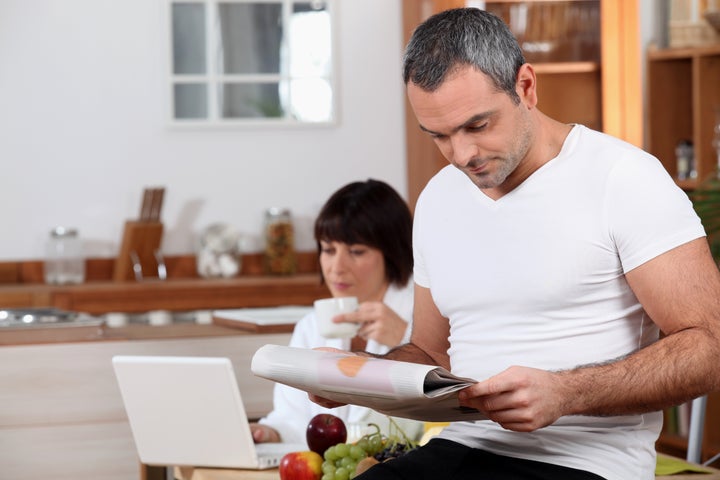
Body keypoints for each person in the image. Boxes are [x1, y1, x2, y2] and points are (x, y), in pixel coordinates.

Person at [311, 8, 720, 480]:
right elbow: (430, 355)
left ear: (526, 86)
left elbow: (709, 347)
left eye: (478, 126)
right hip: (463, 445)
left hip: (584, 463)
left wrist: (567, 393)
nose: (462, 155)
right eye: (440, 136)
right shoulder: (439, 198)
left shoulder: (623, 179)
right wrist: (357, 373)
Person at [251, 178, 422, 444]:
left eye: (356, 251)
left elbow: (453, 402)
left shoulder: (427, 313)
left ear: (392, 253)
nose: (336, 267)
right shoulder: (311, 327)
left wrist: (406, 340)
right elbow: (293, 417)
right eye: (329, 250)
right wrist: (270, 433)